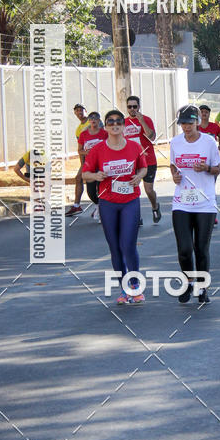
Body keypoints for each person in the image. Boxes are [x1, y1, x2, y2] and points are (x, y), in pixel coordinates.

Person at [82, 109, 147, 304]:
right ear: (106, 126)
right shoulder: (98, 150)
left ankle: (135, 285)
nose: (115, 124)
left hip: (129, 201)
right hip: (108, 202)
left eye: (119, 121)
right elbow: (85, 174)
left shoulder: (134, 147)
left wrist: (139, 176)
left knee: (127, 244)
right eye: (110, 122)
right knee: (115, 248)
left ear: (124, 125)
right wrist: (96, 176)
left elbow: (143, 167)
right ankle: (124, 289)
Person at [170, 105, 220, 305]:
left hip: (204, 202)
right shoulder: (176, 142)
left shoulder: (208, 142)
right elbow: (173, 164)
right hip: (181, 201)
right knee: (184, 248)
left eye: (189, 123)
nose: (186, 127)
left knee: (201, 248)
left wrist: (206, 167)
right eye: (182, 123)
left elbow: (217, 169)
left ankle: (202, 287)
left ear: (197, 122)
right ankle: (187, 282)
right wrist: (174, 174)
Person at [124, 96, 161, 224]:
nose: (132, 109)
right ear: (127, 108)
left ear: (139, 107)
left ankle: (155, 207)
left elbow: (152, 137)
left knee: (148, 189)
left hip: (148, 159)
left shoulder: (146, 119)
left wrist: (142, 122)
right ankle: (136, 216)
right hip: (132, 162)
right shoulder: (124, 122)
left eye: (135, 106)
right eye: (130, 107)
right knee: (133, 190)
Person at [77, 111, 107, 221]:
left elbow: (110, 146)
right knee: (90, 192)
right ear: (89, 121)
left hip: (102, 164)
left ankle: (103, 211)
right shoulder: (83, 134)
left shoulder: (104, 133)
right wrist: (88, 153)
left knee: (101, 188)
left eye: (95, 118)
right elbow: (80, 150)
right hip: (90, 165)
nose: (93, 120)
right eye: (91, 118)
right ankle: (98, 204)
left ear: (99, 121)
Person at [199, 105, 220, 226]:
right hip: (198, 161)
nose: (204, 114)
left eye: (206, 112)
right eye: (202, 112)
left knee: (210, 188)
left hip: (212, 161)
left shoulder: (214, 127)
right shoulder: (195, 127)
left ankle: (212, 215)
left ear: (209, 114)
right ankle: (199, 212)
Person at [66, 104, 90, 216]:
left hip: (100, 157)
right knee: (78, 178)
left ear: (86, 111)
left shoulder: (92, 121)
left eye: (81, 110)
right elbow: (80, 148)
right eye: (77, 111)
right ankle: (76, 206)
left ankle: (104, 206)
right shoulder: (78, 130)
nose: (79, 112)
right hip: (88, 159)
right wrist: (83, 164)